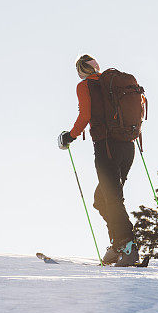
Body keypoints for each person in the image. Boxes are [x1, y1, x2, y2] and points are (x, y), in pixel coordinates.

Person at [57, 55, 140, 267]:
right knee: (101, 199)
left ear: (81, 71)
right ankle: (117, 245)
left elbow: (85, 116)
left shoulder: (86, 86)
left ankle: (128, 246)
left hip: (106, 147)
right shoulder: (111, 85)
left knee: (111, 198)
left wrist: (69, 137)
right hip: (127, 146)